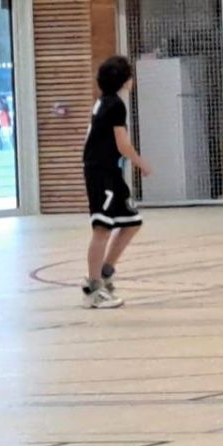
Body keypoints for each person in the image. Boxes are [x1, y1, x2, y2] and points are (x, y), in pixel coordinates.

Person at [82, 56, 150, 309]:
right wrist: (142, 164)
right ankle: (93, 288)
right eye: (130, 76)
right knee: (102, 228)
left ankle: (105, 271)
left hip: (109, 171)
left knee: (132, 221)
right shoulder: (115, 106)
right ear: (123, 80)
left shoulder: (104, 101)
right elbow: (123, 144)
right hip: (100, 173)